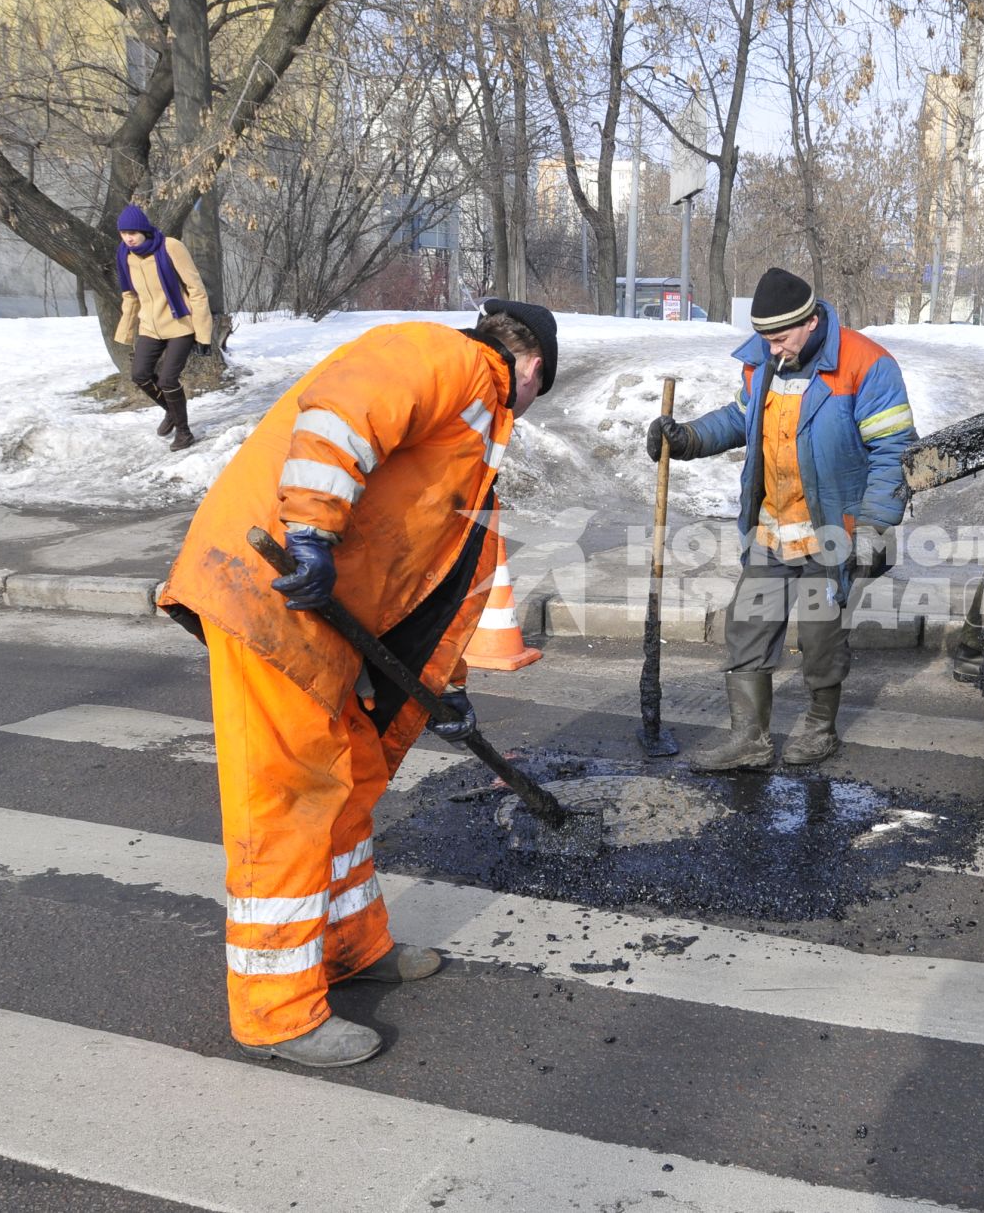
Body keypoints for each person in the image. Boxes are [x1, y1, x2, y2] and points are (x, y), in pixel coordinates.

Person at [157, 299, 560, 1068]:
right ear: (533, 364)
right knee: (290, 796)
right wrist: (309, 530)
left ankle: (349, 945)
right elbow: (344, 409)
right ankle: (275, 1012)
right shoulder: (451, 360)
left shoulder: (472, 443)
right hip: (273, 595)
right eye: (544, 387)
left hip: (324, 625)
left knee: (352, 781)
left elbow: (431, 580)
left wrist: (447, 683)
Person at [645, 267, 914, 769]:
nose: (772, 349)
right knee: (747, 625)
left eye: (781, 337)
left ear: (811, 321)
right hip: (773, 528)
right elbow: (739, 418)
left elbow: (894, 450)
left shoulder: (865, 364)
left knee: (819, 637)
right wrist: (685, 439)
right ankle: (749, 739)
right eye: (764, 338)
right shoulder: (762, 362)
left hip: (834, 531)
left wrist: (876, 525)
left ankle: (819, 728)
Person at [112, 204, 213, 451]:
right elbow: (130, 295)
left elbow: (196, 290)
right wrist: (125, 331)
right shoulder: (124, 255)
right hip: (150, 326)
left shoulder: (170, 247)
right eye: (124, 233)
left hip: (180, 324)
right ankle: (172, 410)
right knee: (140, 375)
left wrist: (203, 335)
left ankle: (184, 432)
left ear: (144, 230)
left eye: (133, 232)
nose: (128, 238)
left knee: (168, 380)